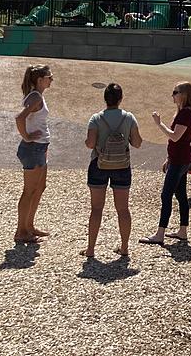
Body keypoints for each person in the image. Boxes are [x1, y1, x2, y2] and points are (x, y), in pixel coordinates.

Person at [82, 83, 142, 258]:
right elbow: (137, 143)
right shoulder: (129, 118)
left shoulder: (96, 118)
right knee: (123, 209)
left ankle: (91, 249)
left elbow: (90, 144)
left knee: (96, 208)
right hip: (122, 166)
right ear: (120, 99)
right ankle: (124, 248)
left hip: (99, 164)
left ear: (105, 99)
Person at [143, 81, 191, 244]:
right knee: (181, 195)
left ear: (184, 95)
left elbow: (175, 136)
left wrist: (159, 123)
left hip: (180, 161)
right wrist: (168, 158)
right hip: (179, 159)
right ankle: (182, 231)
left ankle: (160, 234)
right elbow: (177, 141)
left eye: (175, 92)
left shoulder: (186, 114)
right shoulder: (183, 112)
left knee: (166, 195)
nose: (172, 95)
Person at [14, 65, 53, 244]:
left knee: (40, 187)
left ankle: (29, 226)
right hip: (33, 148)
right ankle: (21, 231)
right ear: (39, 80)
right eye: (49, 77)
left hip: (40, 147)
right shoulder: (36, 96)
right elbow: (19, 117)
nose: (51, 80)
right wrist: (27, 137)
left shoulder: (37, 96)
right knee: (29, 191)